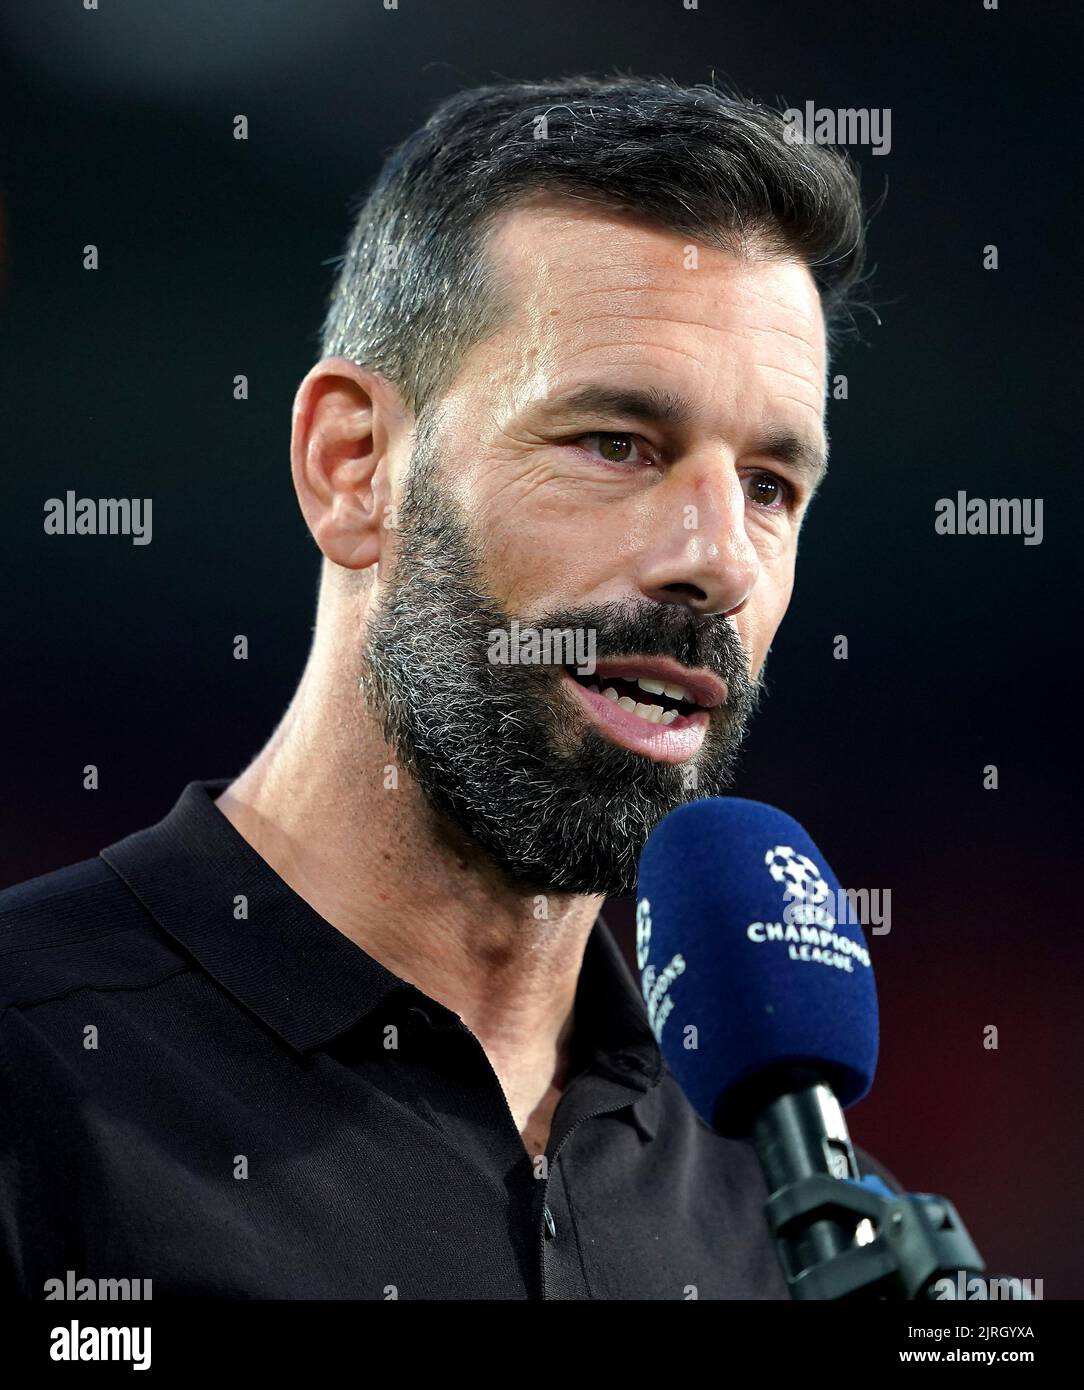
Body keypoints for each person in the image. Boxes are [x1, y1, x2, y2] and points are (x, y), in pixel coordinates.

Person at [0, 74, 896, 1299]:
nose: (720, 560)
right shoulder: (32, 1069)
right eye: (615, 444)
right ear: (354, 466)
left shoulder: (801, 1219)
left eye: (769, 486)